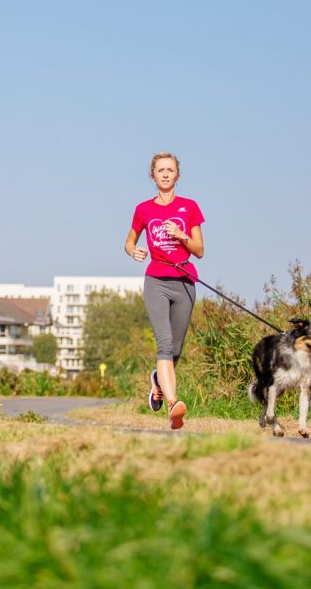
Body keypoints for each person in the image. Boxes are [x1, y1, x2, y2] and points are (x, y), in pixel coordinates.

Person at [124, 151, 205, 430]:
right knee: (165, 345)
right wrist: (134, 251)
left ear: (178, 175)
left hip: (184, 280)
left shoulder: (190, 207)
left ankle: (158, 381)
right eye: (161, 170)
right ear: (153, 175)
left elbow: (200, 251)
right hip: (156, 280)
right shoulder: (144, 209)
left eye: (170, 170)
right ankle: (173, 404)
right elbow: (129, 241)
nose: (166, 174)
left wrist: (182, 236)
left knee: (176, 350)